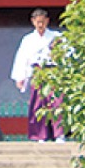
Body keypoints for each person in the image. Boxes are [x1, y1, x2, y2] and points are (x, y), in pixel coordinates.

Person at [10, 8, 66, 142]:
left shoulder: (56, 36)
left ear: (47, 21)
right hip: (37, 72)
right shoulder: (28, 39)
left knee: (57, 102)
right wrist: (20, 77)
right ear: (33, 22)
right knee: (38, 103)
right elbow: (22, 58)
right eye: (38, 22)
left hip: (54, 71)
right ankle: (41, 135)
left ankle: (59, 134)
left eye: (43, 21)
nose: (40, 25)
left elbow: (65, 54)